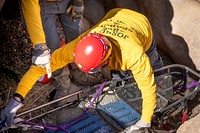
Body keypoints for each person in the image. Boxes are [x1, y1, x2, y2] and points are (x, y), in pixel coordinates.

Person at [1, 8, 163, 131]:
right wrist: (17, 98)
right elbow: (39, 69)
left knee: (153, 69)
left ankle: (164, 84)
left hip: (140, 25)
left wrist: (145, 121)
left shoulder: (134, 54)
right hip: (115, 15)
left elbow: (148, 87)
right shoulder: (79, 45)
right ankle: (120, 78)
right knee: (120, 73)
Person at [21, 0, 84, 79]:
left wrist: (78, 2)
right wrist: (40, 45)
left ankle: (80, 74)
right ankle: (62, 81)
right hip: (44, 6)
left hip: (67, 2)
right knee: (52, 46)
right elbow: (30, 4)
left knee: (77, 38)